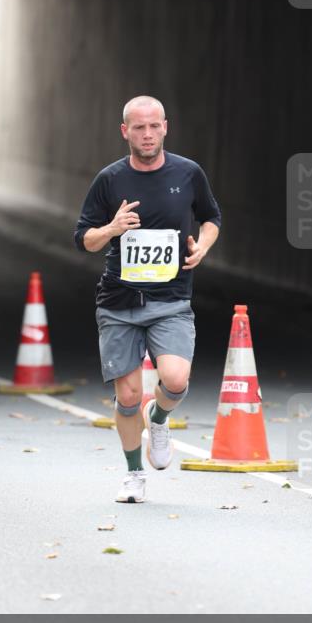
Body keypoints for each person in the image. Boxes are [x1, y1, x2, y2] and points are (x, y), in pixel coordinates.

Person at [74, 96, 221, 503]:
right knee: (127, 397)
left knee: (175, 380)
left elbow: (212, 217)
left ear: (165, 127)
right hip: (119, 303)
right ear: (125, 131)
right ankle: (134, 475)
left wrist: (203, 246)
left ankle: (158, 419)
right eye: (138, 127)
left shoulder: (188, 173)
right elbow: (83, 239)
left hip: (171, 298)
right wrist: (112, 228)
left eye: (154, 126)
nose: (147, 134)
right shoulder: (109, 179)